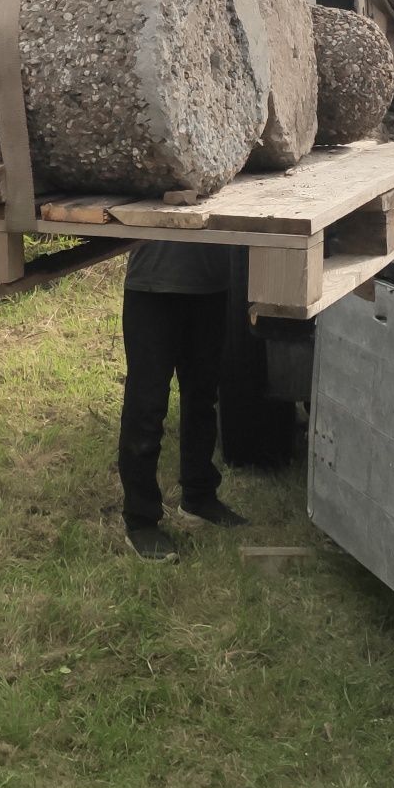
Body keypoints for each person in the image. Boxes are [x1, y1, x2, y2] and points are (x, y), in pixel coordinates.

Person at [118, 240, 250, 561]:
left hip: (212, 286)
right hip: (152, 288)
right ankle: (141, 520)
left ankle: (199, 495)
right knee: (147, 406)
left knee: (203, 397)